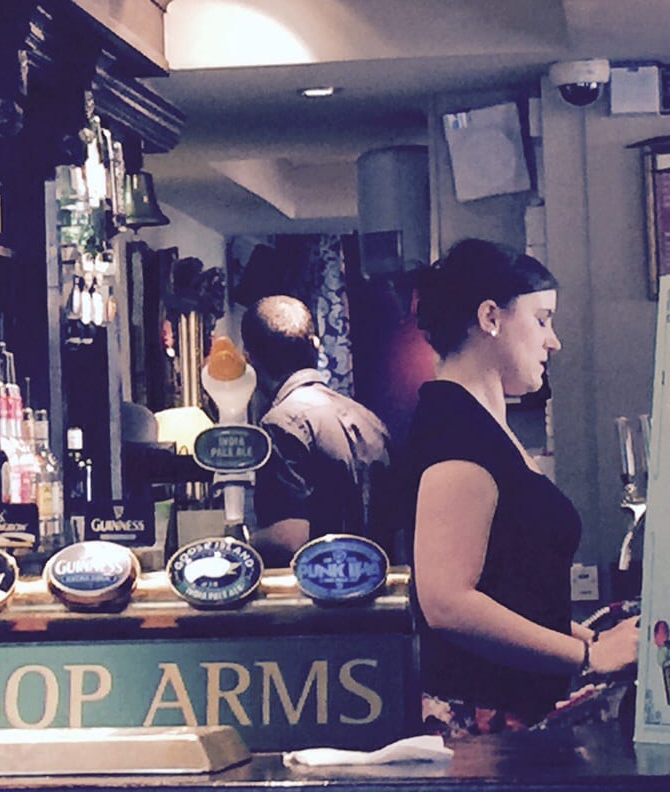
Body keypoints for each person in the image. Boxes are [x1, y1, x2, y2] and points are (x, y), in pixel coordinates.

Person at [404, 238, 638, 736]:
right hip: (485, 731)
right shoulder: (457, 429)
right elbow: (447, 602)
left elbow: (508, 593)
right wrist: (587, 655)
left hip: (510, 718)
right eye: (542, 319)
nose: (554, 341)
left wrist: (592, 640)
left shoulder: (478, 426)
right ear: (491, 317)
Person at [240, 295, 395, 563]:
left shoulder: (280, 424)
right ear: (315, 346)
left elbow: (291, 537)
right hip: (378, 583)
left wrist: (238, 541)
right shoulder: (370, 420)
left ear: (250, 360)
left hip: (320, 583)